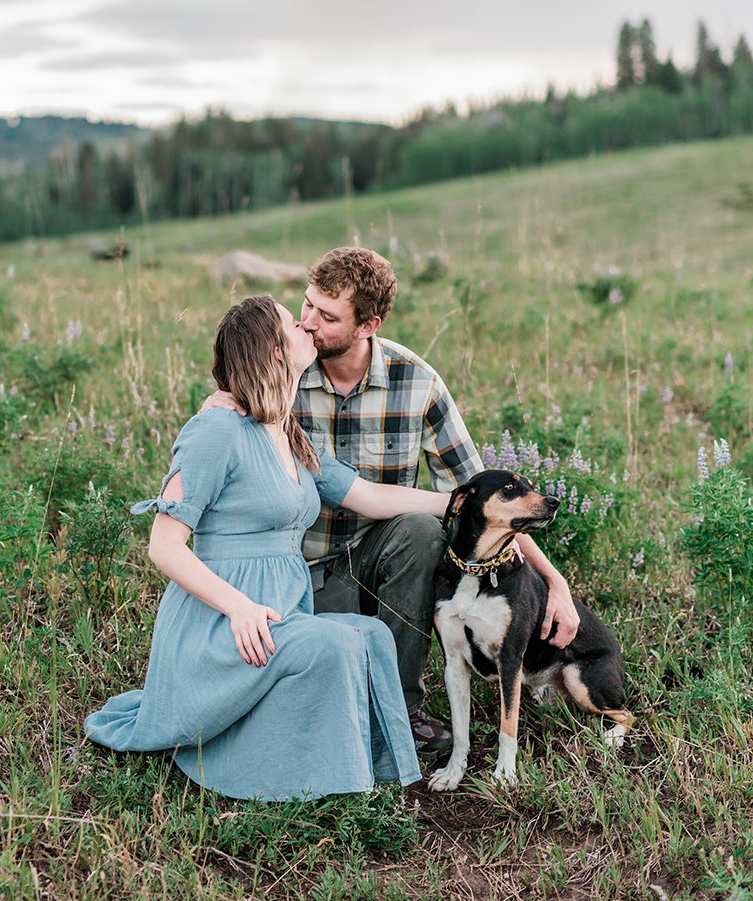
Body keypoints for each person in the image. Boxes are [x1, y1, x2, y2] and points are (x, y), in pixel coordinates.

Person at [207, 247, 580, 755]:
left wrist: (554, 582)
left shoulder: (417, 383)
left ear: (369, 324)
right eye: (308, 305)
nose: (308, 323)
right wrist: (220, 401)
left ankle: (401, 707)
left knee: (424, 531)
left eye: (327, 316)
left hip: (385, 559)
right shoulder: (283, 371)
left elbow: (482, 502)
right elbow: (223, 430)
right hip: (302, 569)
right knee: (311, 697)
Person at [84, 295, 454, 801]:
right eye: (293, 325)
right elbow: (164, 547)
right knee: (337, 643)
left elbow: (367, 496)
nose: (306, 326)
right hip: (220, 623)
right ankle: (322, 783)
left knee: (369, 636)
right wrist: (238, 608)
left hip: (282, 608)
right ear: (274, 353)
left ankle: (359, 763)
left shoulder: (288, 433)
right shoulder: (215, 431)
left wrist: (461, 503)